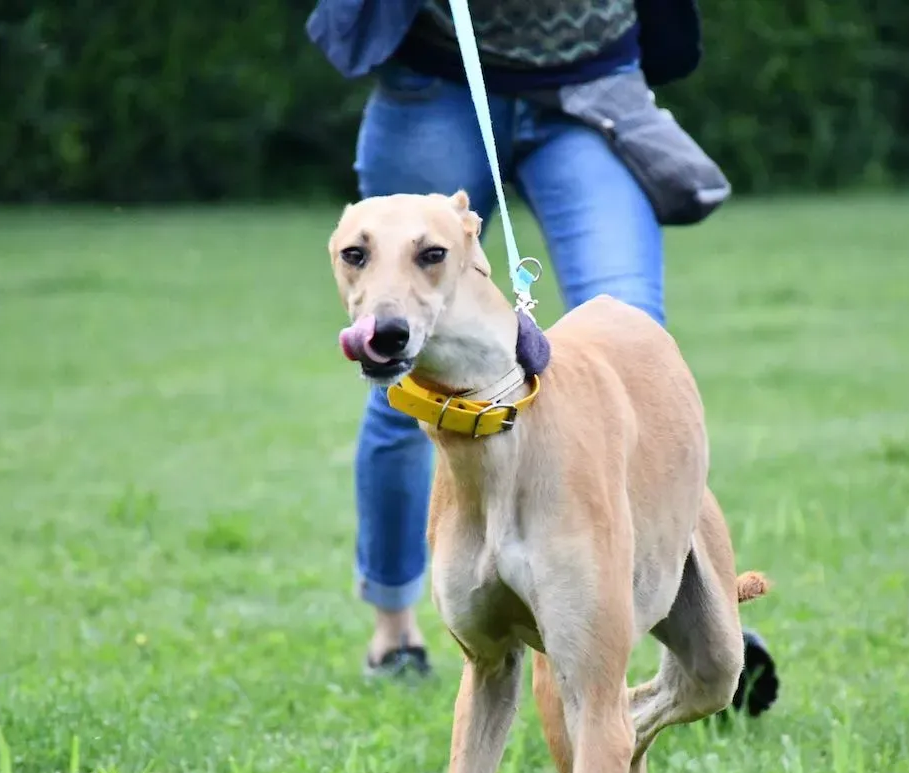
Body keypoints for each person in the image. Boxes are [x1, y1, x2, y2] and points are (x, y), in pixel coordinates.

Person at [305, 0, 780, 716]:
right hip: (440, 73)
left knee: (640, 360)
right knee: (404, 364)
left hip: (592, 79)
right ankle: (396, 629)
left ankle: (680, 615)